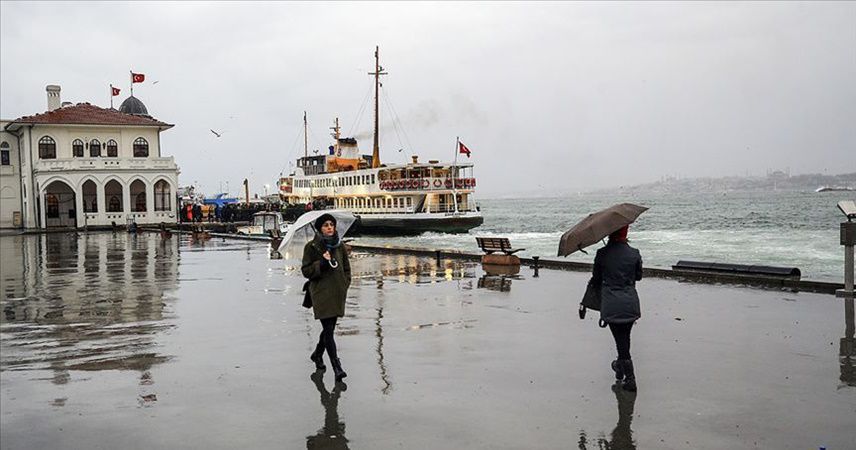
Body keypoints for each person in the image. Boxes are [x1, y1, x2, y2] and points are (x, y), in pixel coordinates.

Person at [591, 224, 642, 391]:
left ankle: (630, 378)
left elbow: (596, 279)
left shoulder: (602, 254)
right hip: (630, 303)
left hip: (612, 304)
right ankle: (620, 369)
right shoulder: (634, 253)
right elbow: (639, 276)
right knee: (624, 338)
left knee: (621, 341)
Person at [302, 213, 351, 381]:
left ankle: (317, 354)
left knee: (329, 328)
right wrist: (321, 263)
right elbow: (306, 271)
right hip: (321, 293)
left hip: (337, 291)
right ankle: (337, 367)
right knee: (329, 330)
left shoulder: (340, 246)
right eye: (326, 225)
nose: (330, 227)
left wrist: (345, 284)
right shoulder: (312, 247)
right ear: (320, 228)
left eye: (331, 224)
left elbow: (346, 269)